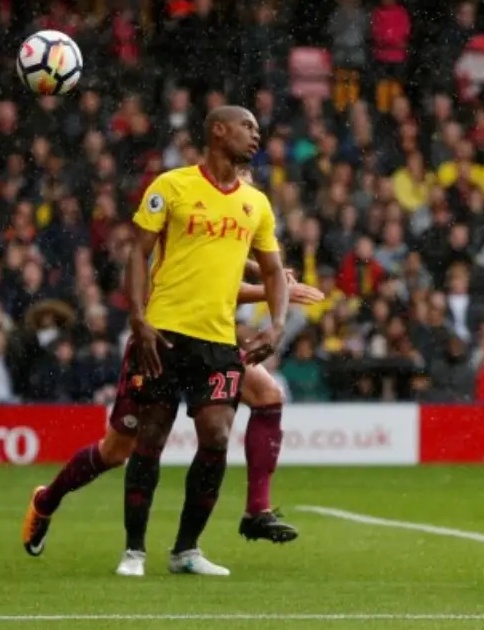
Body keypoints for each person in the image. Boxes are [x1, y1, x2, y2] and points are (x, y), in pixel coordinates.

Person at [20, 265, 323, 558]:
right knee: (114, 452)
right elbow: (209, 284)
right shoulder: (174, 232)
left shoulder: (228, 231)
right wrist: (272, 287)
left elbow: (227, 250)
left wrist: (263, 271)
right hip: (165, 338)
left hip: (211, 342)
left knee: (268, 395)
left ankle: (255, 510)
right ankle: (46, 500)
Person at [118, 105, 289, 577]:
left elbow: (274, 270)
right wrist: (138, 318)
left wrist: (276, 325)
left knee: (215, 436)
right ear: (218, 131)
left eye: (257, 129)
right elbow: (138, 252)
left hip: (218, 341)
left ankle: (186, 550)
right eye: (247, 126)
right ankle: (134, 551)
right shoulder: (171, 186)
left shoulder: (257, 203)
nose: (256, 135)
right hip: (165, 333)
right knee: (151, 436)